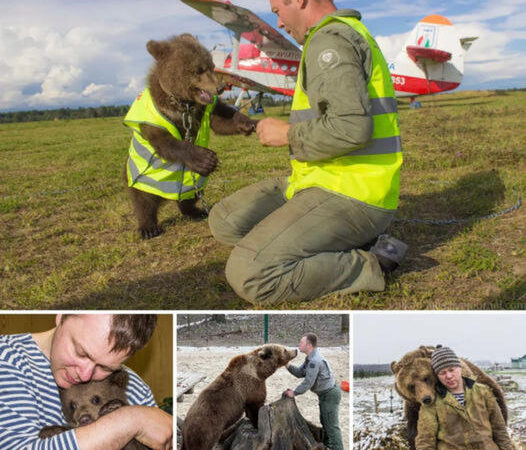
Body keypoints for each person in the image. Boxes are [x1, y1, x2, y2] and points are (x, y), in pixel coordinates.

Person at [208, 0, 407, 305]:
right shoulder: (331, 37)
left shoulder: (330, 41)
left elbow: (351, 128)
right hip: (320, 178)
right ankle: (306, 239)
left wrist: (287, 133)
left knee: (249, 272)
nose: (279, 23)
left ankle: (371, 263)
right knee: (225, 220)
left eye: (277, 11)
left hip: (353, 193)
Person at [0, 314, 173, 450]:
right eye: (81, 352)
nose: (84, 375)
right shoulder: (7, 359)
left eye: (105, 368)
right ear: (61, 316)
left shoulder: (136, 388)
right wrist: (130, 420)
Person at [416, 345, 513, 450]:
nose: (448, 376)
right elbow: (425, 441)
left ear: (460, 368)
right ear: (437, 376)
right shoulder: (432, 403)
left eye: (451, 370)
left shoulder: (483, 392)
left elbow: (499, 430)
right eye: (442, 373)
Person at [284, 333, 343, 450]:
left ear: (309, 345)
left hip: (329, 395)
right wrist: (287, 364)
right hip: (325, 394)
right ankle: (327, 446)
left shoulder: (315, 361)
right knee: (325, 422)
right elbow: (300, 373)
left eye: (301, 342)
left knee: (331, 427)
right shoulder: (310, 358)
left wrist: (294, 392)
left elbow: (308, 382)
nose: (299, 344)